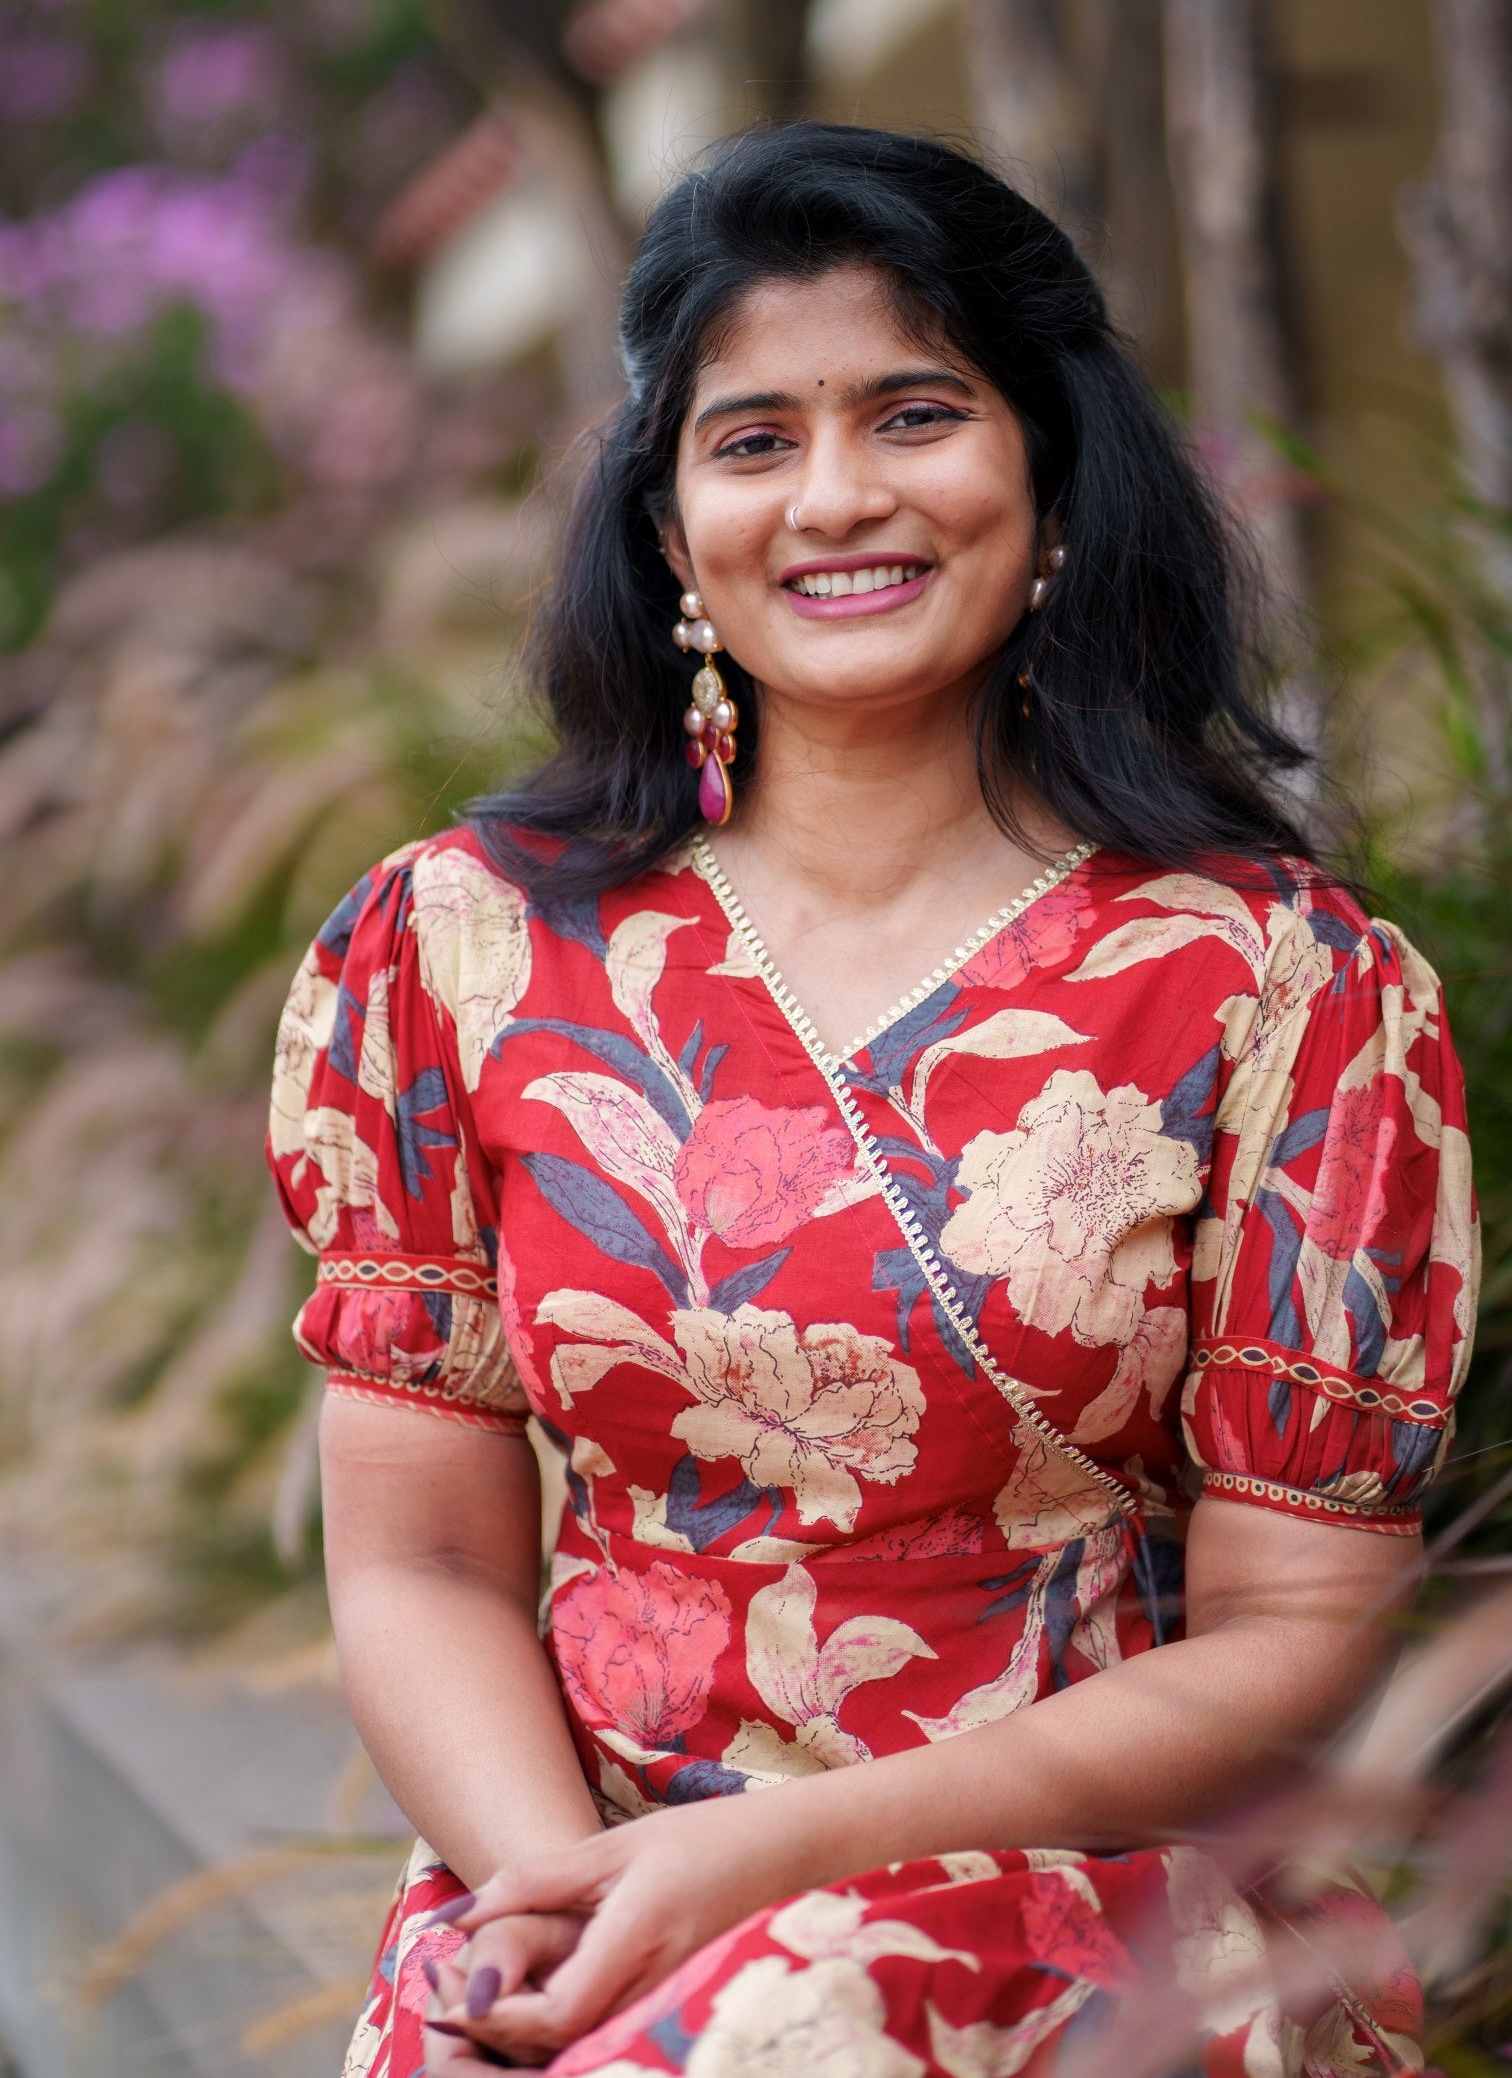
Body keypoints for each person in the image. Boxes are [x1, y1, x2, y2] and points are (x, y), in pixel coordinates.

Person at [267, 123, 1477, 2078]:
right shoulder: (460, 948)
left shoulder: (1283, 988)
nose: (836, 496)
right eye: (753, 439)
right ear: (673, 532)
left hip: (1080, 1908)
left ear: (1052, 476)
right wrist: (571, 1902)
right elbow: (424, 1559)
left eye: (915, 414)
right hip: (566, 1880)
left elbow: (1298, 1636)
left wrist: (754, 1878)